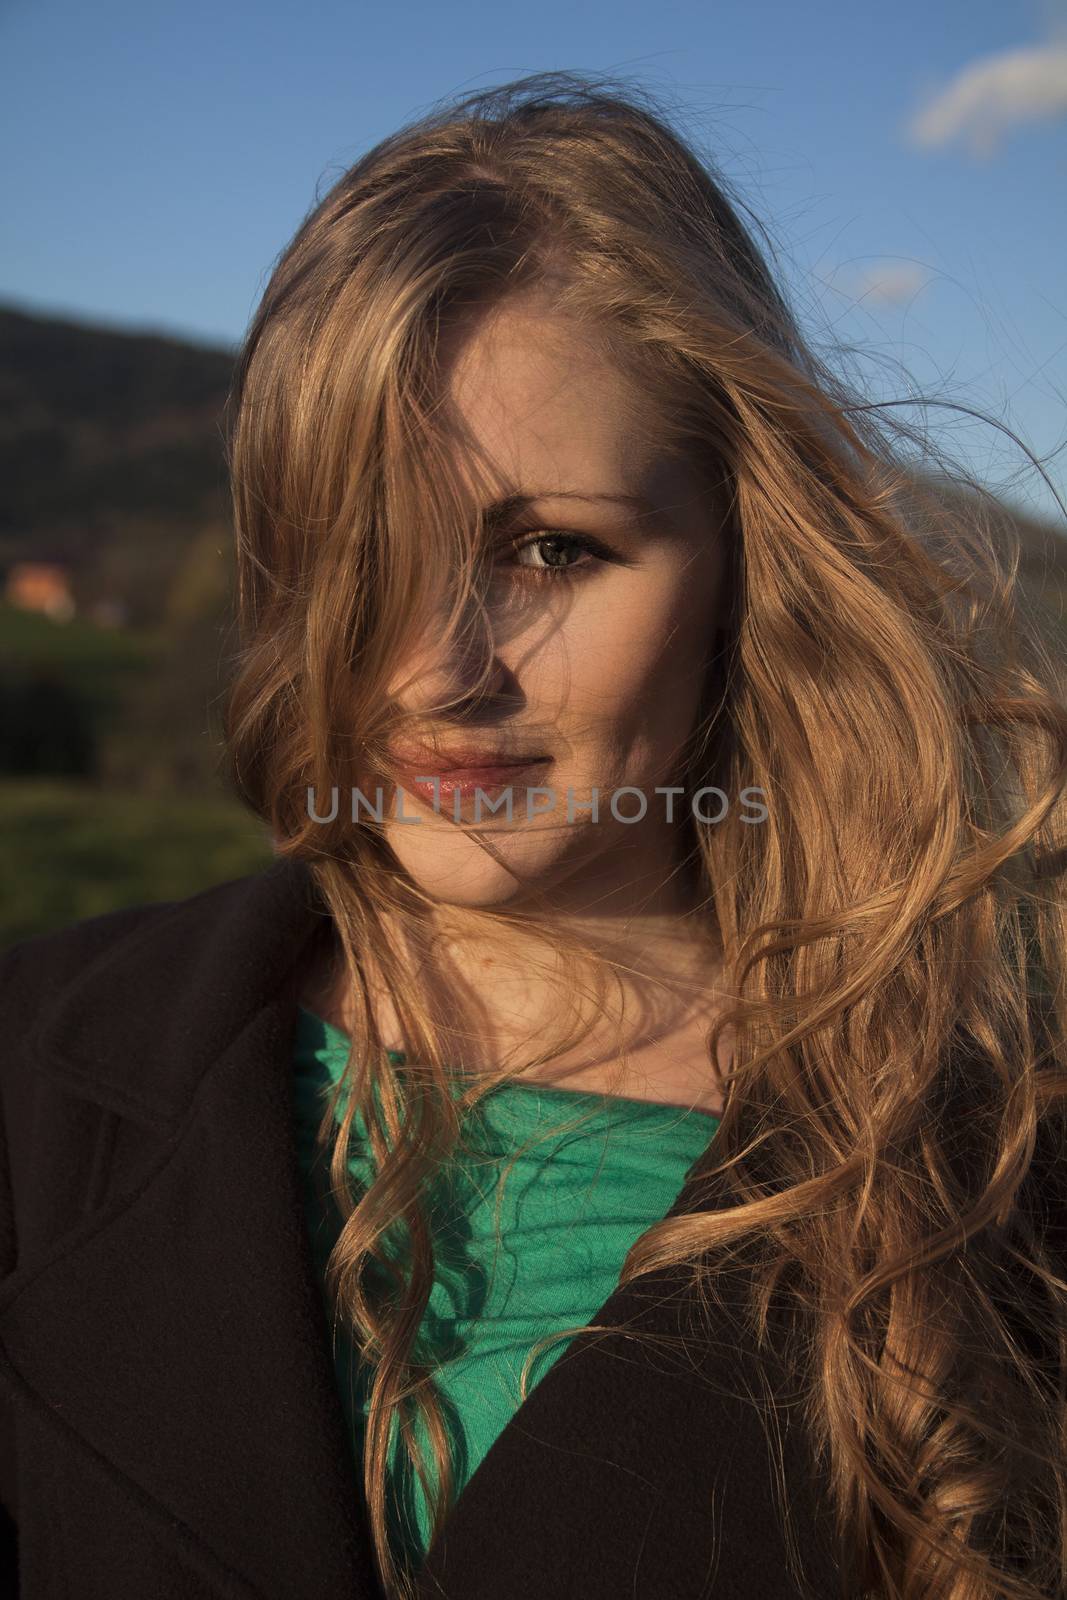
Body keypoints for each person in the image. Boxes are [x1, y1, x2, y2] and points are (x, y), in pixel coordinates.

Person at [1, 70, 1066, 1600]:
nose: (432, 667)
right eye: (362, 548)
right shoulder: (38, 1069)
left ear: (745, 561)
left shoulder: (993, 1180)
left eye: (552, 550)